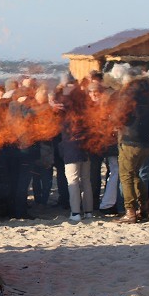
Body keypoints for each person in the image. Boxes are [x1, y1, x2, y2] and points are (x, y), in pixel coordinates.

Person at [116, 76, 149, 223]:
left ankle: (130, 211)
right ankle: (145, 208)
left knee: (126, 176)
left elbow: (119, 118)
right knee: (135, 175)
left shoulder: (130, 100)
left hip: (130, 142)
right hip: (147, 144)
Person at [58, 83, 93, 222]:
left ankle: (76, 212)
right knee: (86, 181)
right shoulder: (86, 111)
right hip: (86, 149)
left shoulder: (66, 111)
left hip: (71, 149)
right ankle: (89, 211)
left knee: (72, 181)